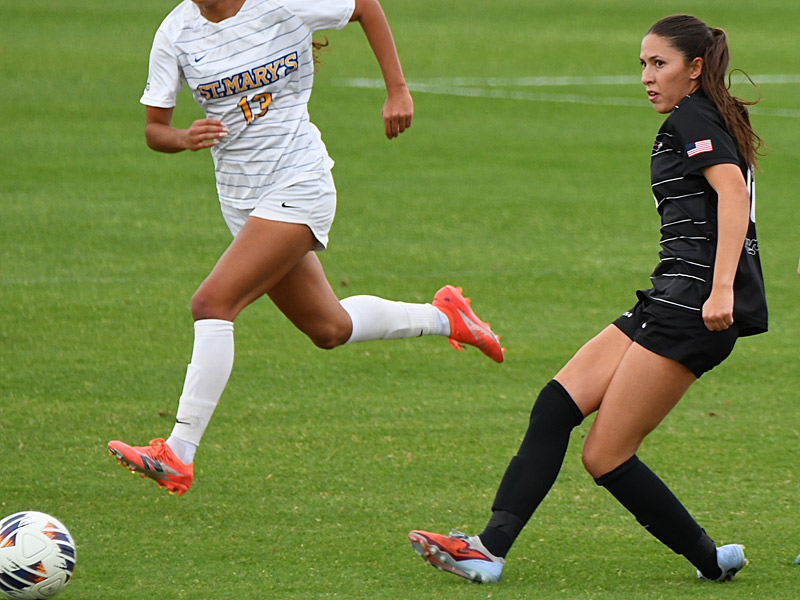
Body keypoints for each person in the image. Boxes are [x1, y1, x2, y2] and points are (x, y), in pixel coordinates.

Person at [408, 14, 767, 584]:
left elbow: (731, 197)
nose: (648, 77)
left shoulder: (694, 118)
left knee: (606, 455)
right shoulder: (697, 115)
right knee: (555, 405)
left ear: (694, 68)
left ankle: (704, 561)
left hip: (694, 308)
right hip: (670, 297)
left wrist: (723, 288)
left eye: (660, 64)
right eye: (643, 65)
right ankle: (490, 548)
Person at [108, 0, 504, 496]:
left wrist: (397, 90)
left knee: (212, 303)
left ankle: (178, 453)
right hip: (240, 201)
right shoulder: (175, 32)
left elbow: (367, 8)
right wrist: (184, 137)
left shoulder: (282, 3)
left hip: (300, 183)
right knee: (329, 328)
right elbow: (154, 130)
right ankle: (447, 317)